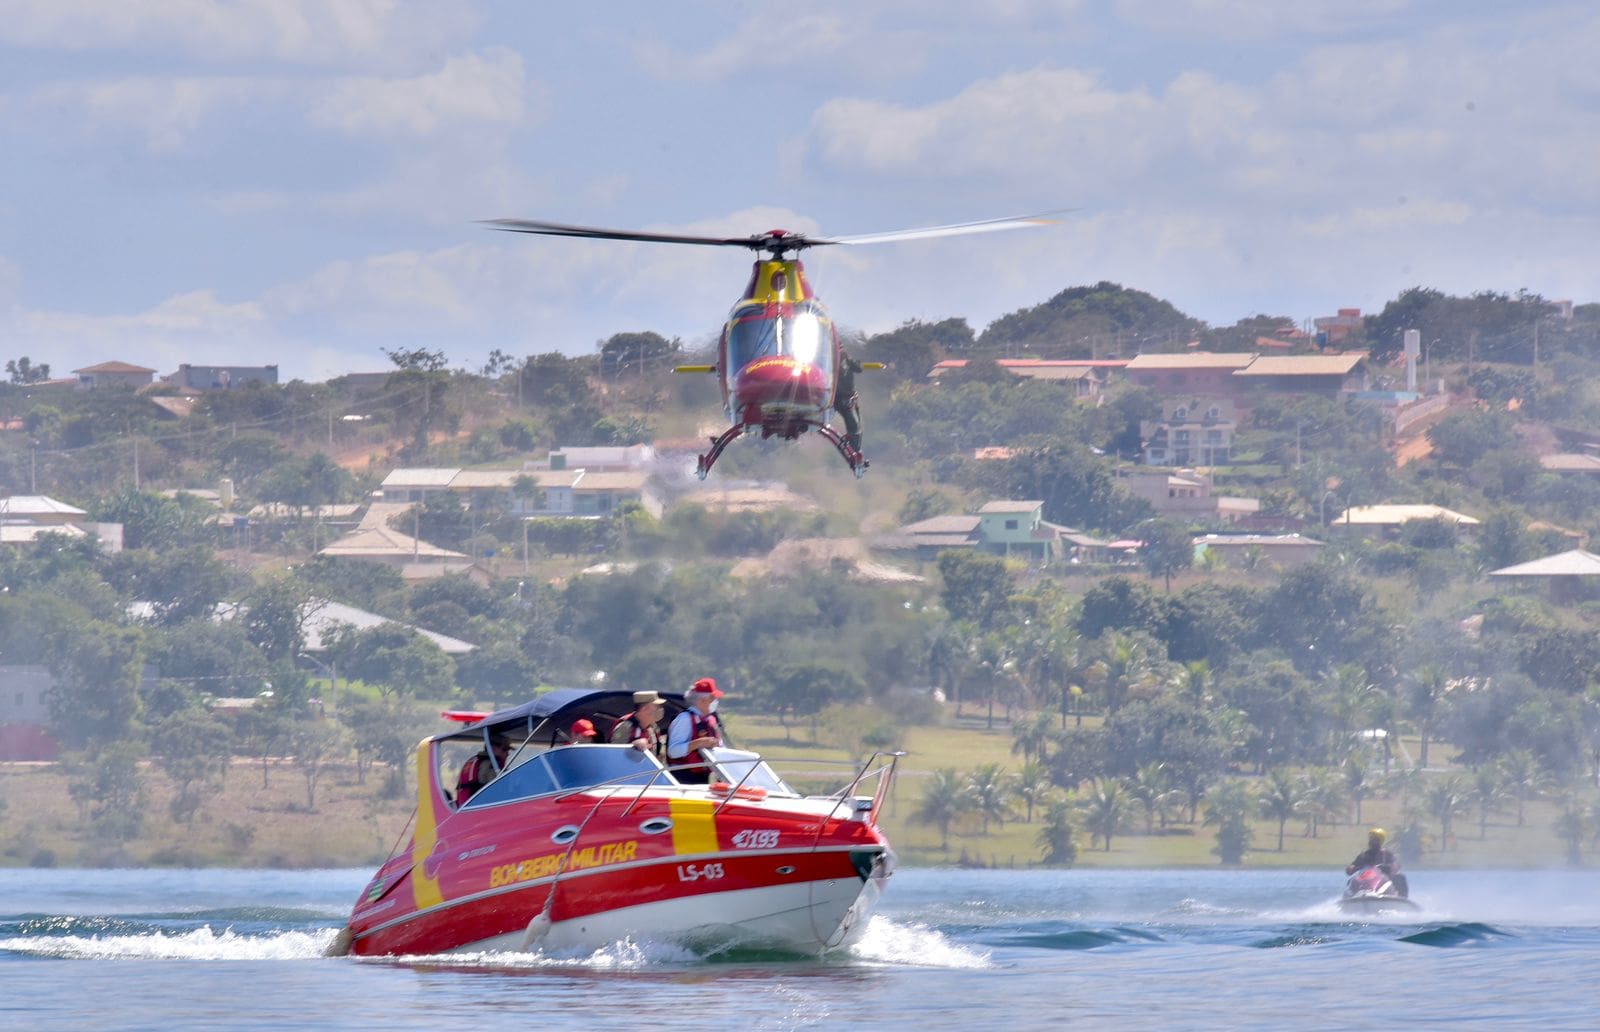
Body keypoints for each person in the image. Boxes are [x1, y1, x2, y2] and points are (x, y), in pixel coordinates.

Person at [667, 677, 724, 784]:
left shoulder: (710, 720)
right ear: (703, 700)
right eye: (713, 698)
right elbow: (673, 752)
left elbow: (721, 746)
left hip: (703, 777)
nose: (716, 701)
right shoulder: (684, 719)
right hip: (683, 778)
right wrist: (698, 743)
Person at [1345, 827, 1408, 897]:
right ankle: (1348, 899)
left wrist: (1389, 868)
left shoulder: (1386, 854)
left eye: (1374, 839)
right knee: (1351, 880)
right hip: (1365, 880)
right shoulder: (1364, 855)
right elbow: (1352, 867)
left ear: (1379, 841)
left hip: (1382, 880)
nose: (1371, 841)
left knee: (1401, 877)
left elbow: (1396, 865)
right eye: (1371, 839)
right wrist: (1352, 868)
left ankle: (1402, 899)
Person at [455, 732, 512, 806]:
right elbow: (497, 792)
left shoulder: (473, 761)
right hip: (479, 809)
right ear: (493, 749)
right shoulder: (491, 765)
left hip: (464, 808)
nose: (508, 753)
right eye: (504, 749)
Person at [610, 690, 665, 757]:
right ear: (645, 709)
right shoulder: (625, 727)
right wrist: (632, 747)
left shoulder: (653, 728)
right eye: (657, 706)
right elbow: (613, 754)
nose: (660, 709)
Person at [832, 349, 864, 454]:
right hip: (837, 398)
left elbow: (859, 369)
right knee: (854, 426)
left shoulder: (846, 361)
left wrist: (849, 360)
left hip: (845, 398)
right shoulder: (829, 361)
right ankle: (855, 450)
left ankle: (855, 450)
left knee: (855, 426)